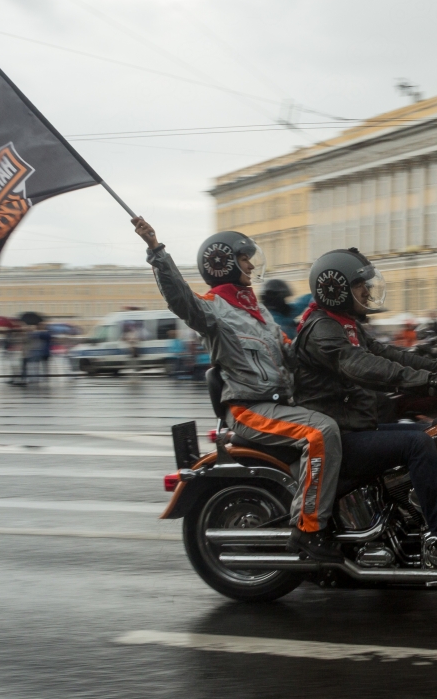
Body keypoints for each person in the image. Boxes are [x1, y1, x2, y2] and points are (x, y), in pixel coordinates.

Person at [133, 217, 343, 559]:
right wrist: (156, 250)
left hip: (281, 404)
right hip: (251, 409)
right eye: (244, 259)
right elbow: (180, 300)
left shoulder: (257, 309)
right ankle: (309, 531)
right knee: (321, 434)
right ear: (224, 264)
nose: (250, 264)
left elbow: (290, 353)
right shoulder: (214, 308)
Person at [293, 247, 437, 568]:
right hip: (340, 435)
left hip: (356, 425)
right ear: (335, 290)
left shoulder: (344, 324)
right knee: (418, 443)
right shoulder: (323, 330)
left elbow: (392, 355)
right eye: (358, 286)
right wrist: (429, 382)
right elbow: (365, 366)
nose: (366, 291)